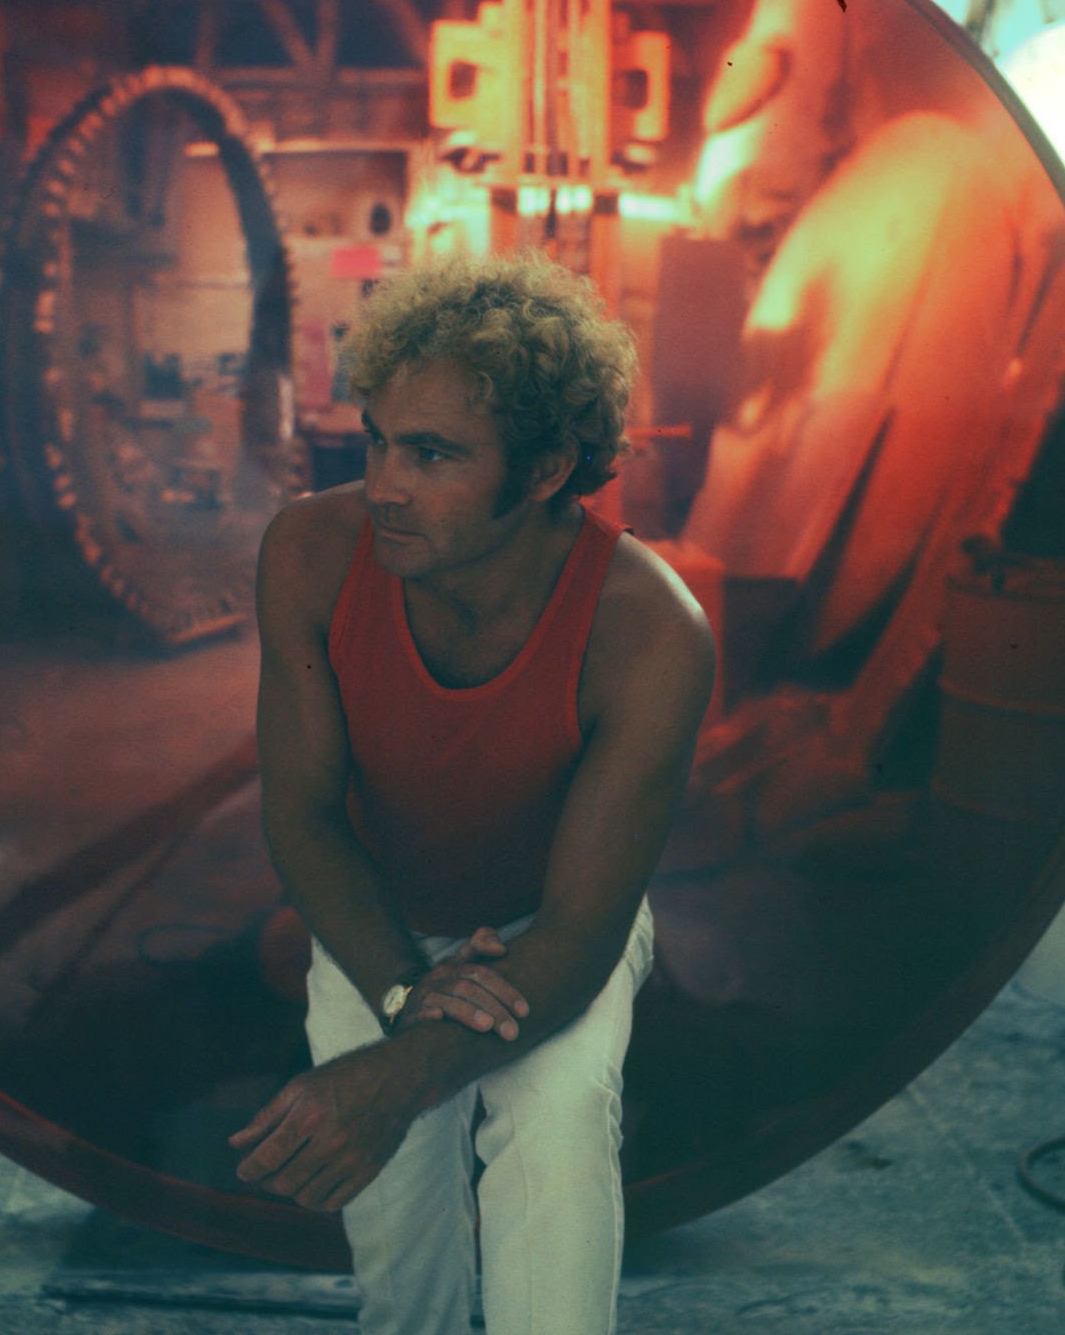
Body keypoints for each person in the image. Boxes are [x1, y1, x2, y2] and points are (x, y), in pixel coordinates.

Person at [230, 253, 716, 1335]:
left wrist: (392, 1072)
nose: (386, 483)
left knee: (554, 1137)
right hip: (375, 918)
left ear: (546, 469)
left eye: (434, 453)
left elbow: (586, 932)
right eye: (378, 440)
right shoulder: (311, 550)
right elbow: (301, 814)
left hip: (550, 932)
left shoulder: (647, 629)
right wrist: (408, 998)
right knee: (401, 1259)